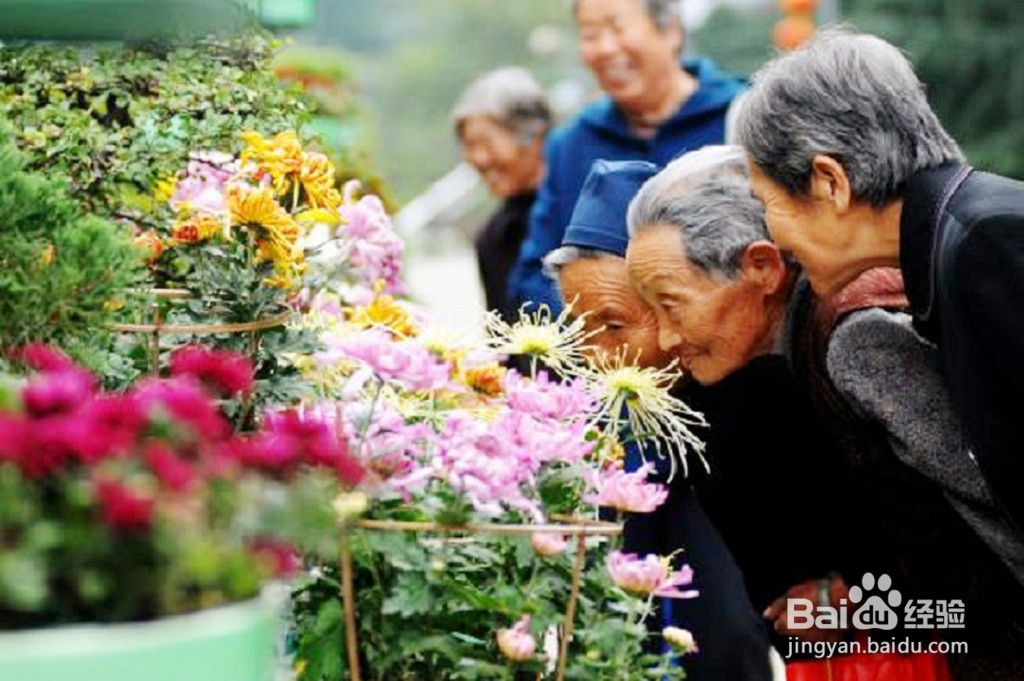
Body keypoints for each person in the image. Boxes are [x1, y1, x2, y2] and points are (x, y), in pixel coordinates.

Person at [626, 146, 1023, 678]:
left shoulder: (852, 338)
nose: (665, 339)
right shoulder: (786, 353)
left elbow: (994, 541)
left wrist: (861, 608)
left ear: (762, 267)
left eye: (671, 304)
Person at [735, 29, 1024, 546]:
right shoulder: (953, 244)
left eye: (767, 203)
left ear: (830, 182)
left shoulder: (986, 243)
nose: (772, 238)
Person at [543, 159, 773, 681]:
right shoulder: (605, 431)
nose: (597, 357)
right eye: (578, 330)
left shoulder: (748, 414)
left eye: (614, 325)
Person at [508, 0, 745, 314]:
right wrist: (596, 328)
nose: (605, 48)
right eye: (590, 35)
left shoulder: (742, 117)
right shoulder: (571, 145)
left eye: (618, 28)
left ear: (671, 30)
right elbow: (534, 276)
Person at [452, 67, 552, 323]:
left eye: (486, 143)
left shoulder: (578, 213)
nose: (479, 159)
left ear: (534, 135)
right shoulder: (493, 237)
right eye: (469, 146)